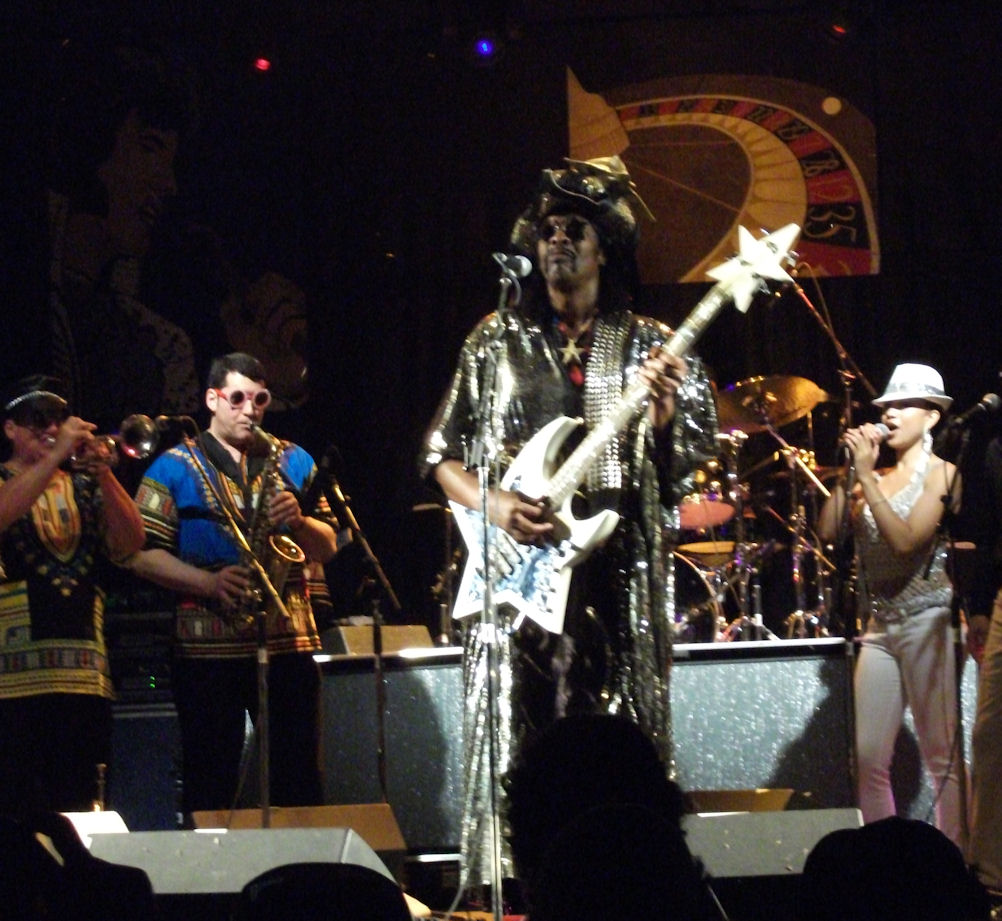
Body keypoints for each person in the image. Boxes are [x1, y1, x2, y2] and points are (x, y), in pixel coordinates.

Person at [419, 156, 719, 888]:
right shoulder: (494, 339)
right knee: (524, 732)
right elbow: (438, 454)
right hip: (516, 572)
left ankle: (623, 878)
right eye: (548, 228)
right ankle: (523, 880)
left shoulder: (648, 341)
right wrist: (493, 505)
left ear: (604, 247)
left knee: (610, 732)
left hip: (611, 575)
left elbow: (684, 468)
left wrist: (664, 416)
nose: (557, 240)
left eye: (574, 229)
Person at [125, 352, 340, 816]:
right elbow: (138, 554)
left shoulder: (294, 460)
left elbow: (329, 546)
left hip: (289, 643)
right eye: (238, 398)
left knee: (299, 776)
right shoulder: (172, 467)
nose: (250, 410)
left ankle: (302, 880)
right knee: (210, 777)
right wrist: (207, 582)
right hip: (206, 650)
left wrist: (300, 522)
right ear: (212, 399)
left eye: (259, 399)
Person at [818, 362, 963, 845]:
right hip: (880, 624)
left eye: (904, 405)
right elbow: (826, 531)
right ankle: (885, 865)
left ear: (933, 417)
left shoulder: (944, 475)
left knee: (942, 752)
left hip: (930, 619)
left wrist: (867, 480)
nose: (892, 414)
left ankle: (960, 868)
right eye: (887, 406)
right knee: (867, 755)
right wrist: (850, 475)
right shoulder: (869, 477)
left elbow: (906, 542)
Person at [0, 375, 146, 816]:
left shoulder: (83, 484)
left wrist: (102, 473)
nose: (50, 428)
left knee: (83, 809)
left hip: (85, 675)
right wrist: (58, 454)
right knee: (17, 814)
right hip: (13, 683)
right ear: (10, 428)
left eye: (59, 419)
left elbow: (130, 544)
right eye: (37, 420)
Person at [965, 430, 1002, 893]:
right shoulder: (996, 445)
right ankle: (991, 883)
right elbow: (987, 527)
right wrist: (978, 602)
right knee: (990, 734)